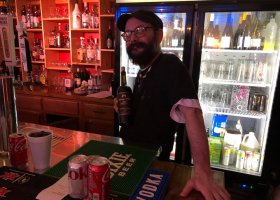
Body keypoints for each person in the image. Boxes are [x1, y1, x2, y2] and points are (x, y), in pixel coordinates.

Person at [115, 10, 231, 199]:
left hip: (152, 163)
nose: (132, 39)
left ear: (159, 35)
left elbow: (192, 113)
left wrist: (202, 173)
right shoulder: (142, 71)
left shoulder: (170, 64)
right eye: (127, 34)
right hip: (130, 155)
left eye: (140, 31)